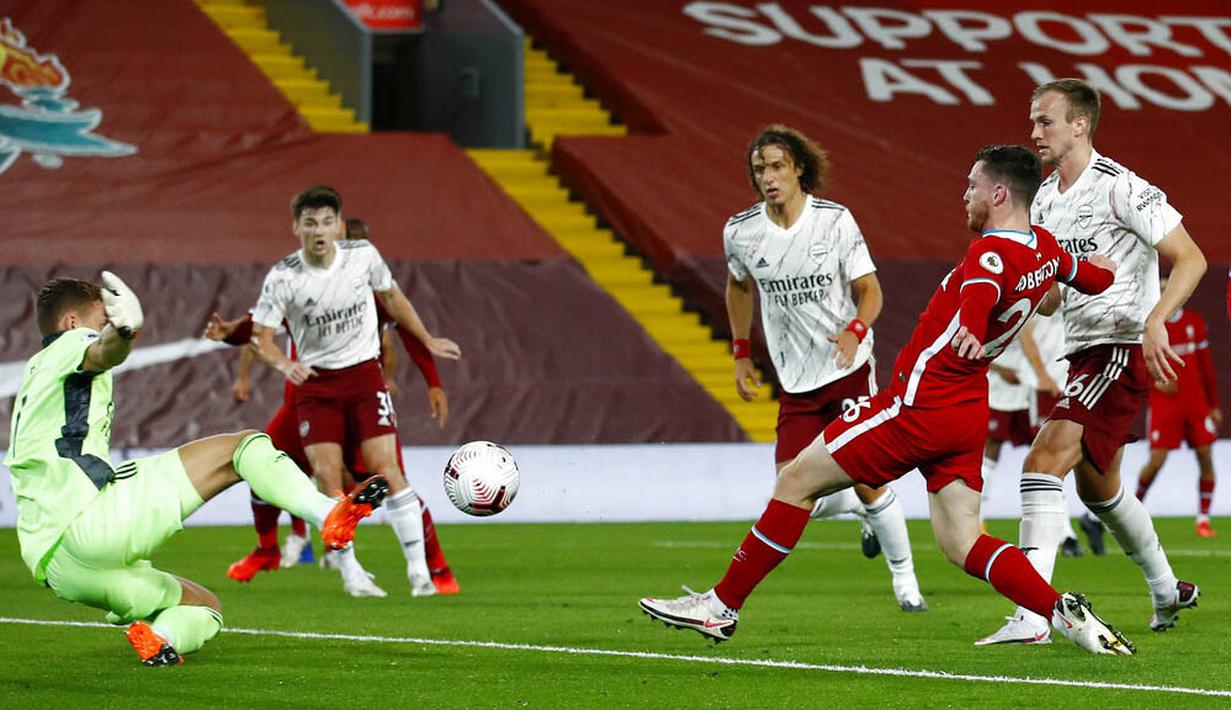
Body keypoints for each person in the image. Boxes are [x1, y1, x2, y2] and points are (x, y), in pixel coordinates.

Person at [640, 145, 1133, 655]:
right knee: (963, 543)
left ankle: (720, 608)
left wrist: (969, 320)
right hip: (966, 412)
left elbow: (981, 289)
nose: (965, 195)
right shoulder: (1045, 248)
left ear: (999, 193)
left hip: (918, 407)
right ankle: (1061, 611)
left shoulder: (989, 252)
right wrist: (1103, 266)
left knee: (794, 480)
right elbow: (1093, 278)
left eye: (972, 185)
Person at [6, 272, 387, 665]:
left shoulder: (36, 373)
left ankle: (159, 636)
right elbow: (105, 350)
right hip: (89, 521)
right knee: (243, 447)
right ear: (71, 323)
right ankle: (329, 512)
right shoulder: (73, 343)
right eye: (100, 317)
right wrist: (124, 330)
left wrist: (114, 332)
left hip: (58, 569)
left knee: (205, 607)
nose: (104, 325)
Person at [979, 78, 1207, 646]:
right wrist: (1046, 284)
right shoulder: (1048, 200)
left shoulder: (1121, 187)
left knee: (1042, 459)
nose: (1034, 133)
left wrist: (1157, 318)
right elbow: (1055, 294)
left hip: (1122, 348)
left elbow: (1190, 258)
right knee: (1099, 492)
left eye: (1045, 121)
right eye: (1033, 122)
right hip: (1083, 353)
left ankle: (1033, 615)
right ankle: (1165, 589)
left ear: (1080, 124)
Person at [723, 124, 925, 612]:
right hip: (795, 379)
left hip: (847, 368)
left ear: (797, 169)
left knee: (872, 481)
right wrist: (741, 352)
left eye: (776, 167)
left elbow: (871, 290)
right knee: (789, 493)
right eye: (759, 170)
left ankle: (907, 585)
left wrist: (856, 330)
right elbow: (738, 286)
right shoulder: (741, 232)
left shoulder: (834, 221)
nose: (768, 178)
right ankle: (857, 506)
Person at [250, 185, 460, 597]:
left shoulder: (363, 257)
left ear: (340, 225)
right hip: (316, 385)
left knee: (388, 470)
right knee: (326, 477)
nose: (319, 230)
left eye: (327, 221)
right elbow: (261, 337)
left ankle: (419, 573)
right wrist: (283, 363)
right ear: (296, 228)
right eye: (310, 223)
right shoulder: (283, 277)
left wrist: (427, 338)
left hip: (364, 376)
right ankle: (351, 574)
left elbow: (394, 299)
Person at [980, 320, 1083, 557]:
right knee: (990, 450)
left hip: (1030, 385)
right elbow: (971, 345)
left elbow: (1028, 334)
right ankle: (977, 521)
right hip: (1000, 387)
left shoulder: (1034, 296)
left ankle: (1065, 533)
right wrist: (999, 367)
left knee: (1048, 453)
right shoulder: (980, 297)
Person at [1135, 275, 1221, 538]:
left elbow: (1206, 367)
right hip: (1165, 405)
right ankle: (1132, 513)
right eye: (1159, 290)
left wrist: (1214, 405)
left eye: (1168, 289)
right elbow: (1138, 366)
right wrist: (1155, 383)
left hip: (1195, 403)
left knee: (1205, 456)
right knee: (1156, 460)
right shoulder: (1150, 327)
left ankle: (1203, 519)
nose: (1164, 294)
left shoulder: (1194, 323)